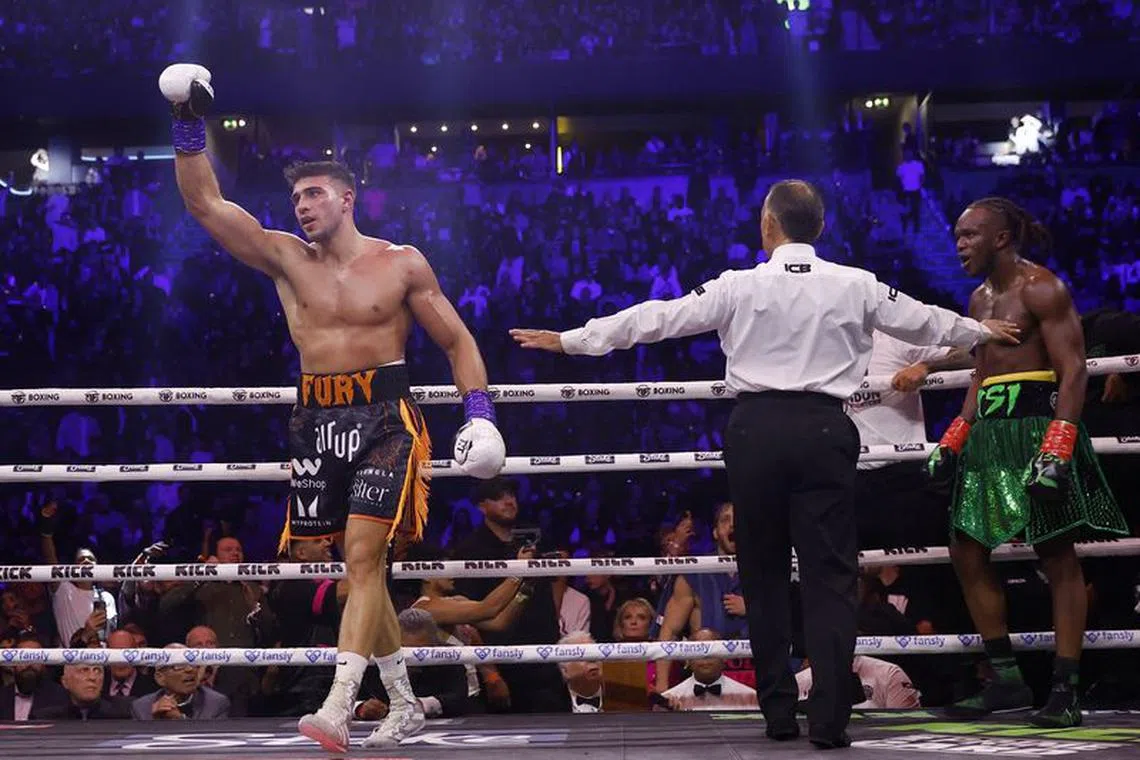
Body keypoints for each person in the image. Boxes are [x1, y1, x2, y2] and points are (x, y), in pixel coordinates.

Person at [511, 179, 1019, 749]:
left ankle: (778, 712)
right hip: (824, 429)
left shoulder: (739, 284)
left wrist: (573, 339)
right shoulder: (855, 283)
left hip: (757, 432)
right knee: (830, 578)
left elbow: (659, 317)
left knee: (763, 573)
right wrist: (982, 329)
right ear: (818, 227)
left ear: (768, 225)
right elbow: (926, 320)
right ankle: (830, 718)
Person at [160, 63, 506, 751]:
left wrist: (480, 412)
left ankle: (338, 704)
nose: (302, 205)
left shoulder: (401, 263)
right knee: (360, 571)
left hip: (385, 419)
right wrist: (186, 119)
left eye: (314, 193)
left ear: (348, 199)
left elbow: (457, 339)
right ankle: (403, 702)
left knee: (363, 556)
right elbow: (206, 205)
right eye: (296, 196)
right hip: (317, 421)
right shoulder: (286, 259)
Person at [928, 197, 1130, 727]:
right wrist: (955, 434)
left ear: (1001, 238)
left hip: (1039, 428)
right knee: (966, 547)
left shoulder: (1043, 287)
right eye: (957, 235)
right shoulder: (978, 299)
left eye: (970, 235)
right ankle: (1005, 678)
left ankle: (1065, 689)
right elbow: (981, 375)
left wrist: (1058, 445)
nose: (960, 245)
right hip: (990, 435)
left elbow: (1074, 370)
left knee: (1056, 552)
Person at [850, 332, 974, 549]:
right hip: (852, 475)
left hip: (904, 472)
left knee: (920, 558)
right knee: (860, 561)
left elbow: (968, 357)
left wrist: (925, 367)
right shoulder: (825, 347)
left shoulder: (894, 339)